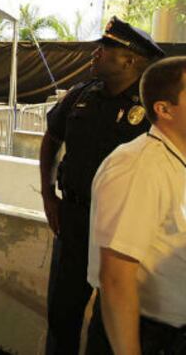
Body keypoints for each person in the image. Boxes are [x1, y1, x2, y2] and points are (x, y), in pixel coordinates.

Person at [40, 17, 165, 355]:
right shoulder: (81, 95)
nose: (96, 53)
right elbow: (51, 139)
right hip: (76, 219)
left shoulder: (153, 108)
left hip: (125, 228)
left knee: (109, 321)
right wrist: (49, 194)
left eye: (106, 48)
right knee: (62, 314)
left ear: (130, 59)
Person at [85, 57, 186, 354]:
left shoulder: (175, 160)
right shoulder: (138, 167)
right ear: (164, 109)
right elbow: (116, 278)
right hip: (146, 336)